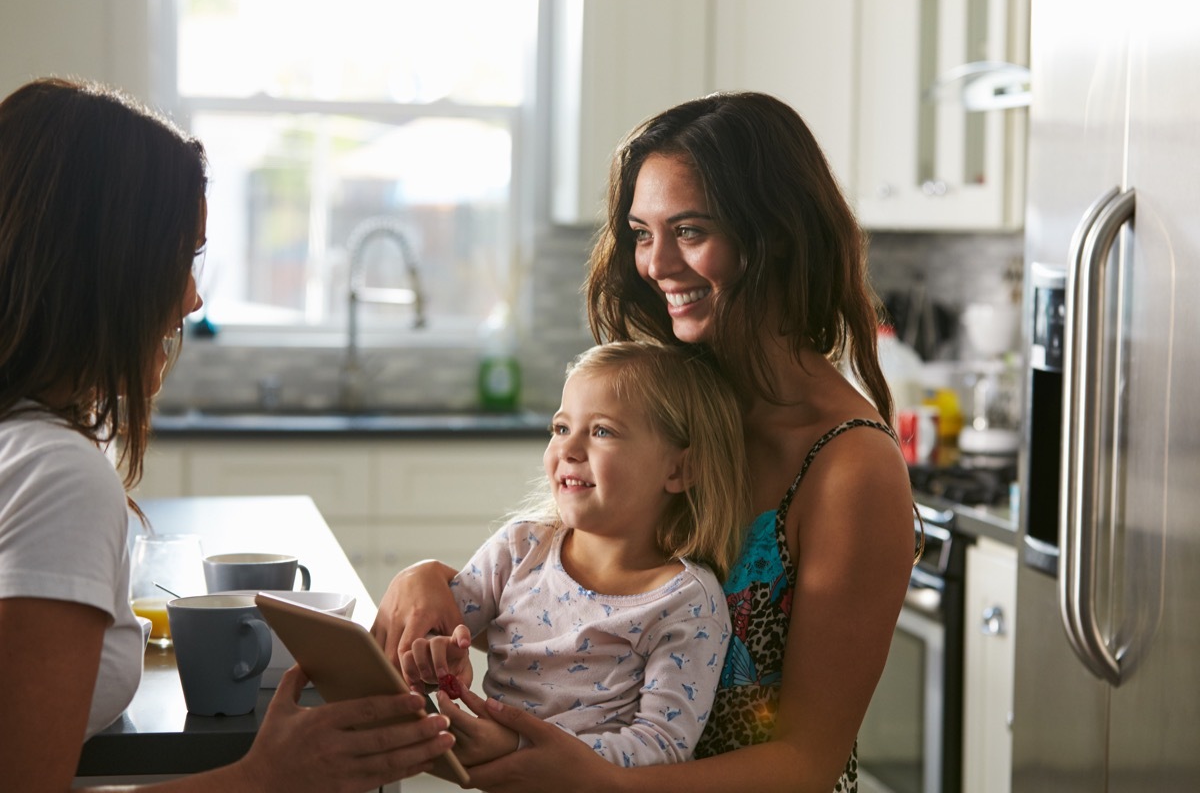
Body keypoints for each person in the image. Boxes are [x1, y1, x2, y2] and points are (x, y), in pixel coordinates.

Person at [372, 90, 916, 793]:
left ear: (776, 235)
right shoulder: (675, 395)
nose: (655, 263)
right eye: (640, 233)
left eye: (689, 231)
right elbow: (583, 586)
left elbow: (806, 763)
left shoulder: (850, 466)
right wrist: (428, 580)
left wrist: (599, 780)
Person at [0, 77, 454, 793]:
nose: (192, 297)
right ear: (106, 264)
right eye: (181, 259)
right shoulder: (55, 471)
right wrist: (271, 775)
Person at [401, 341, 750, 771]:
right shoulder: (520, 549)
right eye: (561, 428)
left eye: (601, 431)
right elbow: (443, 630)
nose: (568, 448)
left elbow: (661, 746)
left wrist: (517, 749)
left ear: (679, 470)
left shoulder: (686, 604)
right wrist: (435, 655)